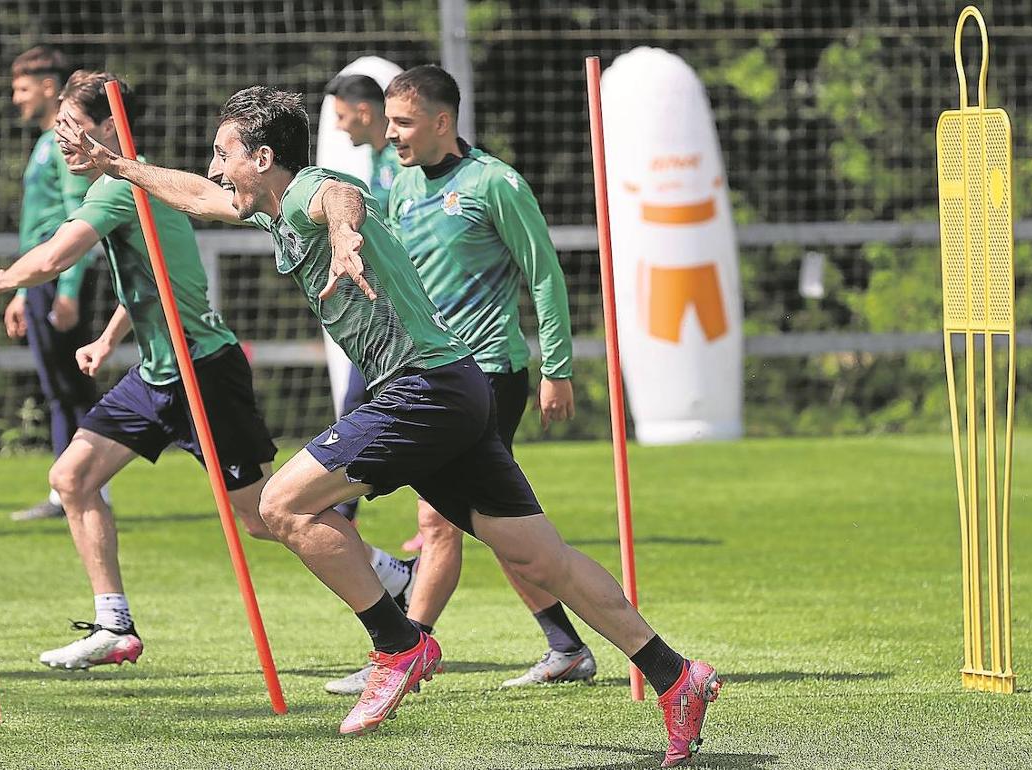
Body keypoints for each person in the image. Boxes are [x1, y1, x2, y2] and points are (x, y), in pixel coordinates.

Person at [59, 85, 721, 767]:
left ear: (263, 157)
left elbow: (339, 197)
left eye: (223, 154)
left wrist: (346, 236)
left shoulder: (307, 191)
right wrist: (117, 165)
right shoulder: (269, 205)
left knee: (282, 504)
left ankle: (398, 645)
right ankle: (677, 676)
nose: (215, 168)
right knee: (541, 559)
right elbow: (198, 196)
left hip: (423, 389)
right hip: (452, 385)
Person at [0, 72, 413, 670]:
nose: (61, 137)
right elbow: (158, 278)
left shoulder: (118, 188)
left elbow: (55, 257)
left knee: (263, 516)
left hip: (203, 369)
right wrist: (109, 338)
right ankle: (114, 625)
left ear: (106, 128)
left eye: (71, 126)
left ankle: (391, 575)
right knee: (72, 478)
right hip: (157, 372)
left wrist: (2, 280)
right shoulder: (129, 184)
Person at [326, 64, 593, 696]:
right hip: (430, 376)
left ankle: (404, 653)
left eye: (404, 122)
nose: (392, 133)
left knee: (440, 522)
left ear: (442, 121)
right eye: (389, 121)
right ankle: (565, 645)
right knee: (492, 520)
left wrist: (557, 369)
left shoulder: (494, 183)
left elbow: (544, 275)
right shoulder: (399, 186)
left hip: (490, 372)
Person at [4, 45, 102, 521]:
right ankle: (70, 489)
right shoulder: (45, 143)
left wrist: (67, 289)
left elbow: (76, 216)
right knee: (59, 387)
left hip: (61, 272)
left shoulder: (63, 144)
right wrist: (23, 292)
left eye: (22, 88)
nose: (16, 98)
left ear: (48, 87)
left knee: (71, 385)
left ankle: (85, 487)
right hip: (42, 276)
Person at [321, 73, 402, 526]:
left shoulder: (402, 162)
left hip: (404, 315)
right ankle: (342, 508)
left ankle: (341, 508)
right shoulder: (378, 159)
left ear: (365, 112)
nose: (337, 126)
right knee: (357, 402)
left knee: (360, 403)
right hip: (382, 310)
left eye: (341, 115)